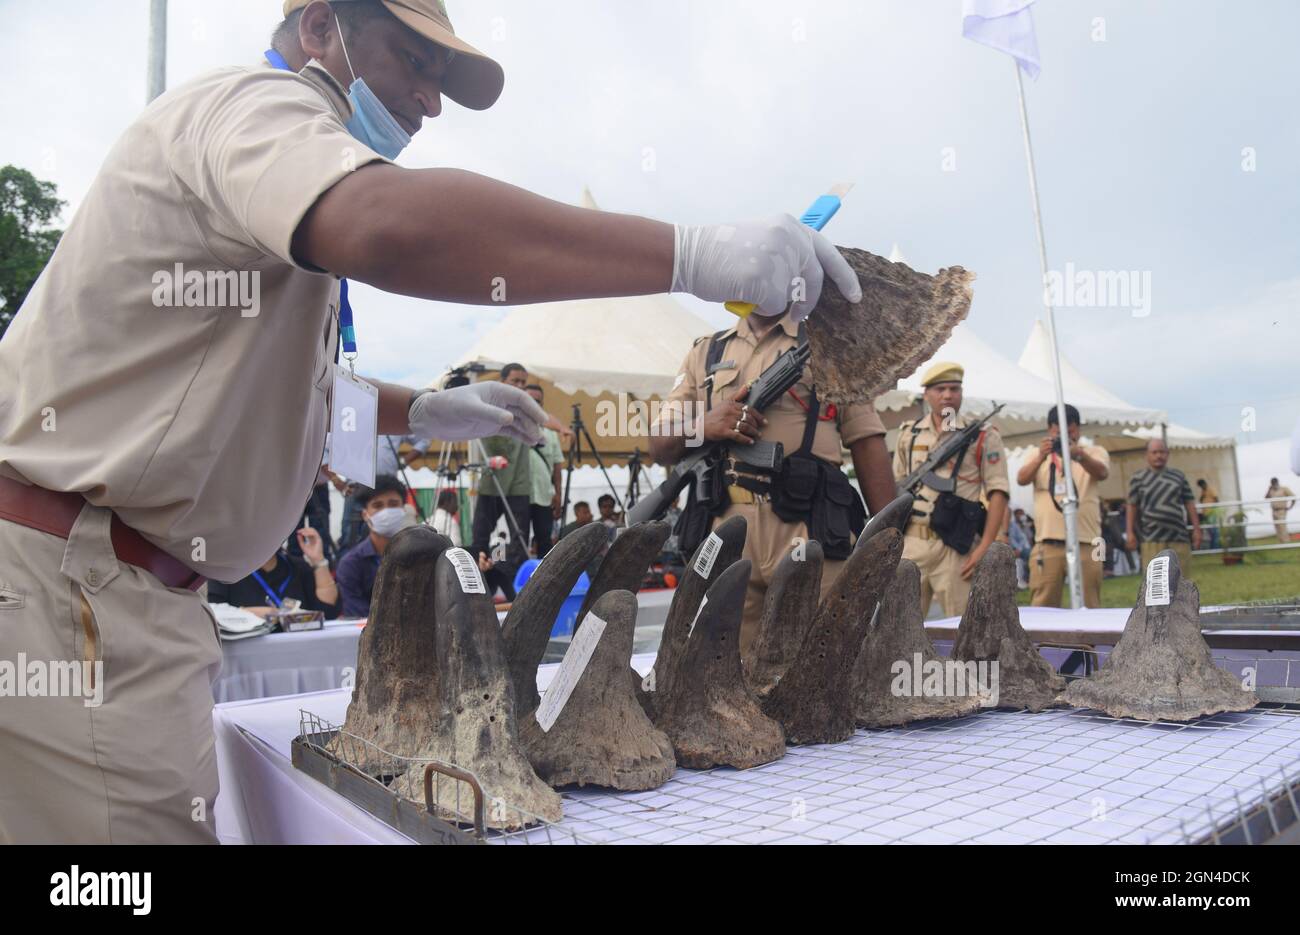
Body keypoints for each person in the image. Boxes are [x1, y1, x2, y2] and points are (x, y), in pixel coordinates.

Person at [0, 0, 859, 843]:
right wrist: (686, 253)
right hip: (80, 589)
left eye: (440, 74)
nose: (431, 100)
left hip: (125, 593)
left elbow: (263, 385)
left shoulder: (269, 193)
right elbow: (389, 226)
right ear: (319, 27)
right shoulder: (254, 107)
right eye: (414, 60)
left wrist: (420, 410)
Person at [650, 307, 895, 656]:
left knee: (819, 657)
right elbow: (660, 444)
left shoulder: (832, 345)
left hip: (809, 526)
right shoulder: (706, 351)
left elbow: (866, 438)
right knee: (725, 663)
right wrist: (704, 426)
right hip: (727, 527)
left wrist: (890, 542)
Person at [892, 363, 1010, 618]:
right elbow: (896, 487)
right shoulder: (909, 435)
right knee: (901, 625)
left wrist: (986, 545)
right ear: (926, 394)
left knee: (960, 626)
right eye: (940, 389)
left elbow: (998, 492)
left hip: (956, 546)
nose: (947, 395)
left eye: (954, 389)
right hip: (912, 543)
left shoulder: (982, 436)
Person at [1015, 404, 1110, 608]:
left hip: (1087, 542)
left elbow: (1102, 473)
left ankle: (1089, 640)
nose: (1065, 436)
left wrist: (1078, 454)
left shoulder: (1093, 451)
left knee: (1090, 605)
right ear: (1050, 430)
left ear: (1078, 429)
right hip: (1048, 544)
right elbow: (1021, 479)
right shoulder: (1037, 454)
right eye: (1059, 431)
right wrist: (1042, 456)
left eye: (1071, 430)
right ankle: (1043, 641)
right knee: (1043, 606)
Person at [471, 364, 537, 574]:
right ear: (503, 382)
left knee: (519, 537)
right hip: (493, 482)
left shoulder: (527, 409)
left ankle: (516, 579)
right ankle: (476, 575)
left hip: (519, 483)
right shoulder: (489, 405)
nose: (519, 386)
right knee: (481, 535)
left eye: (522, 382)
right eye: (514, 381)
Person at [207, 528, 341, 619]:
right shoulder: (225, 569)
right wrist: (249, 613)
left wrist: (319, 561)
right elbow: (214, 614)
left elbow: (328, 612)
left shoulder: (298, 567)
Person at [335, 475, 414, 618]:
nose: (386, 511)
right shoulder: (351, 564)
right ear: (365, 515)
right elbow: (357, 615)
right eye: (378, 505)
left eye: (393, 504)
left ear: (404, 509)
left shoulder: (419, 557)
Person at [1125, 440, 1200, 577]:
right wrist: (1130, 532)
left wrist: (1196, 529)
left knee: (1181, 581)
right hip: (1151, 539)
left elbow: (1189, 502)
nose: (1158, 456)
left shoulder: (1179, 476)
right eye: (1154, 452)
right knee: (1155, 582)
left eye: (1162, 452)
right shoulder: (1138, 478)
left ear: (1168, 454)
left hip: (1178, 537)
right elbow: (1132, 505)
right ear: (1147, 455)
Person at [525, 384, 566, 558]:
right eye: (530, 400)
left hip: (544, 497)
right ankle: (517, 580)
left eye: (538, 402)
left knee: (545, 540)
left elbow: (557, 468)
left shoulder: (551, 434)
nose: (534, 404)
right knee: (517, 540)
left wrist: (558, 494)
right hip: (519, 496)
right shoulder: (512, 429)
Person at [1266, 477, 1296, 542]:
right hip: (1274, 510)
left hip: (1281, 510)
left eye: (1274, 483)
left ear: (1277, 482)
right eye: (1272, 484)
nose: (1273, 485)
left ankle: (1286, 541)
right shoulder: (1271, 490)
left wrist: (1291, 506)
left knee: (1282, 526)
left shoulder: (1284, 489)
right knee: (1277, 526)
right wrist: (1268, 490)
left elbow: (1293, 497)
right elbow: (1266, 497)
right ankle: (1281, 541)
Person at [1196, 478, 1221, 550]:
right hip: (1206, 513)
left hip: (1211, 513)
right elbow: (1201, 500)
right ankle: (1213, 547)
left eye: (1201, 485)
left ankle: (1215, 547)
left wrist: (1214, 510)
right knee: (1210, 531)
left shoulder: (1211, 489)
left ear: (1204, 484)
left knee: (1214, 531)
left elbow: (1216, 499)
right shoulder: (1203, 491)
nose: (1201, 487)